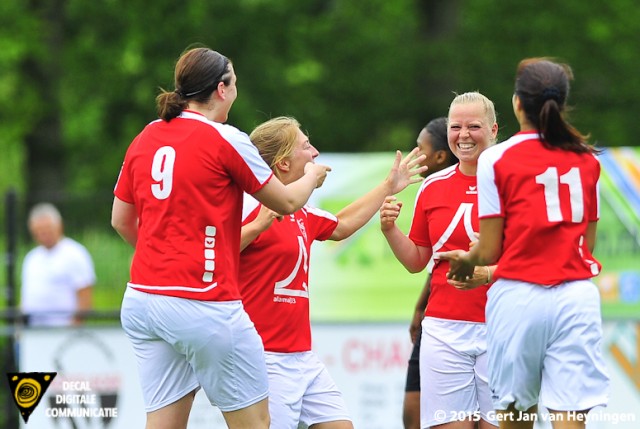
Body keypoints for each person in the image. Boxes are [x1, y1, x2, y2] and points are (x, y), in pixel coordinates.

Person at [110, 47, 330, 429]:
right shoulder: (225, 138)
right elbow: (290, 200)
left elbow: (121, 220)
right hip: (204, 304)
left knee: (163, 422)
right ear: (221, 89)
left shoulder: (146, 136)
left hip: (143, 300)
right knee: (256, 423)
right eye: (235, 84)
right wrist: (311, 174)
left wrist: (164, 255)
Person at [437, 58, 609, 429]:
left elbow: (489, 250)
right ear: (560, 103)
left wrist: (467, 261)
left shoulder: (496, 159)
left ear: (517, 103)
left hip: (518, 297)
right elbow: (587, 244)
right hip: (576, 297)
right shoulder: (586, 159)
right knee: (570, 416)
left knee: (516, 416)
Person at [238, 116, 427, 429]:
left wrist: (388, 187)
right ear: (283, 164)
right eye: (306, 147)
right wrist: (257, 225)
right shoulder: (248, 206)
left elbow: (341, 226)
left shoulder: (299, 210)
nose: (315, 154)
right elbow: (218, 254)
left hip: (303, 357)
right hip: (264, 359)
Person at [380, 92, 499, 429]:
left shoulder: (514, 184)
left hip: (504, 325)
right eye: (456, 126)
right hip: (444, 331)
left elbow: (533, 261)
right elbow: (418, 259)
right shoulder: (432, 187)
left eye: (474, 126)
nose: (464, 135)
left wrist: (488, 272)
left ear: (494, 129)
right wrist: (389, 229)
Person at [403, 117, 458, 429]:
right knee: (412, 412)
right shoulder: (430, 190)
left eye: (420, 149)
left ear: (440, 156)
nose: (414, 154)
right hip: (436, 319)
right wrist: (421, 306)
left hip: (472, 321)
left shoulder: (484, 189)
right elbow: (434, 260)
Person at [21, 202, 95, 327]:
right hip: (32, 333)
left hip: (62, 332)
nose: (43, 235)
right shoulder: (31, 258)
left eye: (47, 230)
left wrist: (73, 329)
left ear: (59, 226)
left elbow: (85, 297)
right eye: (39, 231)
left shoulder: (75, 254)